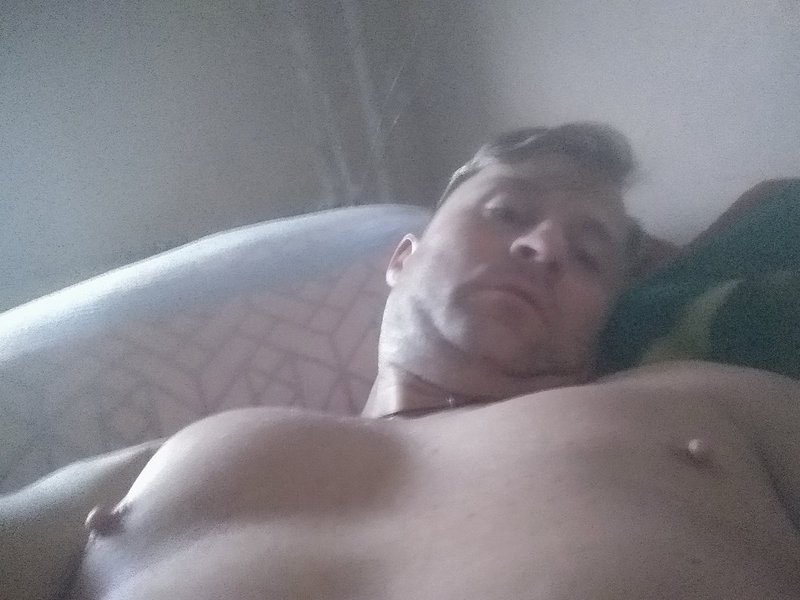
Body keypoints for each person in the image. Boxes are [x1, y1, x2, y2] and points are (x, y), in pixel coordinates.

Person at [2, 123, 799, 600]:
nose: (546, 246)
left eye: (589, 254)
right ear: (402, 257)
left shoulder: (707, 405)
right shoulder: (173, 459)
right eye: (508, 212)